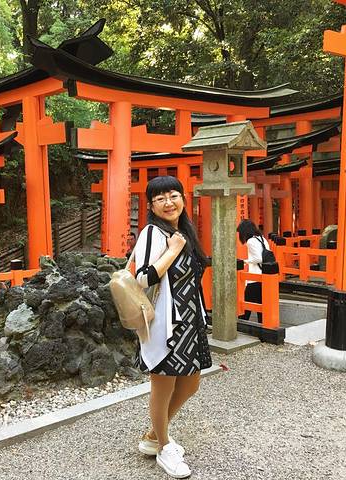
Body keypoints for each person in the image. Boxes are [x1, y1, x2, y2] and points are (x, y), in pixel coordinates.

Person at [132, 175, 212, 479]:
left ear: (183, 198)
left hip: (189, 320)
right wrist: (172, 251)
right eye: (160, 198)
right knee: (163, 385)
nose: (169, 203)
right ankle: (164, 447)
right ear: (151, 205)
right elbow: (142, 278)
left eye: (174, 195)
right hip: (165, 323)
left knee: (190, 384)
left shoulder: (184, 232)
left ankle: (154, 435)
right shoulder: (153, 233)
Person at [236, 219, 271, 322]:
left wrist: (245, 261)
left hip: (254, 278)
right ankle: (262, 327)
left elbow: (258, 258)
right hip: (264, 276)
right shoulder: (262, 238)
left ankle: (241, 326)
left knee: (245, 307)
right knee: (261, 306)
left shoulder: (251, 241)